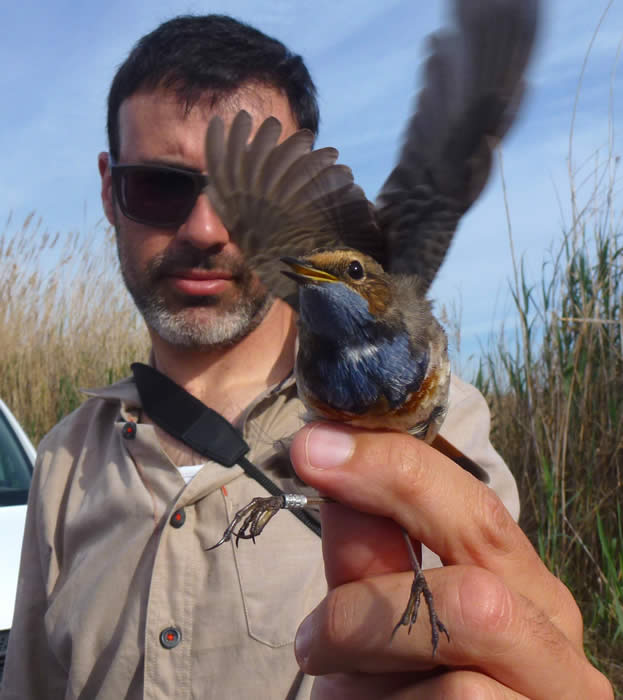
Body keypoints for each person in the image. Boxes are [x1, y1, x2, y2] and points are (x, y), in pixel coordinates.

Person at [1, 13, 612, 700]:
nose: (206, 230)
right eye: (159, 186)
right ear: (109, 189)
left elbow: (508, 630)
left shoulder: (456, 432)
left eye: (236, 199)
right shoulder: (61, 462)